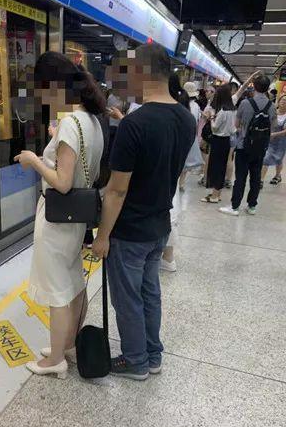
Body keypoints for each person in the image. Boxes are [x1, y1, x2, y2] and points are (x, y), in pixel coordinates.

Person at [92, 43, 195, 380]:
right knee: (150, 292)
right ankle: (153, 355)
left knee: (127, 299)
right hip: (159, 225)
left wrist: (102, 236)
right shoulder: (185, 118)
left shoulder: (134, 124)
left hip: (129, 231)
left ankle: (135, 360)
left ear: (141, 72)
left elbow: (117, 190)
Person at [14, 51, 105, 379]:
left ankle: (55, 361)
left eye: (41, 89)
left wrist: (34, 160)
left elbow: (63, 183)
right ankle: (66, 345)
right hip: (75, 219)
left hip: (57, 218)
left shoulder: (69, 123)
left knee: (57, 291)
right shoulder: (91, 120)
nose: (40, 97)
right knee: (73, 283)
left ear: (53, 86)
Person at [220, 74, 277, 216]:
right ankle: (252, 206)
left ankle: (235, 207)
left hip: (243, 146)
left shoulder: (245, 103)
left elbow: (236, 124)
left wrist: (243, 130)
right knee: (256, 177)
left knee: (240, 177)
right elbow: (273, 126)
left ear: (254, 87)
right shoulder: (271, 106)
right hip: (261, 147)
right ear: (267, 88)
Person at [201, 84, 235, 203]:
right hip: (226, 141)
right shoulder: (232, 110)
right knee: (221, 167)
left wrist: (211, 118)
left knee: (215, 167)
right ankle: (217, 193)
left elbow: (215, 128)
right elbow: (233, 128)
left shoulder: (222, 112)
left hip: (218, 140)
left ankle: (214, 196)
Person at [179, 81, 203, 191]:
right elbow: (196, 123)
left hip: (177, 135)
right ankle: (181, 183)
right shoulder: (196, 106)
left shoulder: (177, 104)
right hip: (189, 136)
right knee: (186, 160)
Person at [261, 94, 286, 186]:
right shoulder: (272, 112)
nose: (284, 102)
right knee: (266, 158)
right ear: (278, 101)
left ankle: (277, 176)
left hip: (281, 142)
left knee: (279, 159)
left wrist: (274, 134)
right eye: (283, 100)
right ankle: (261, 180)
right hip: (269, 140)